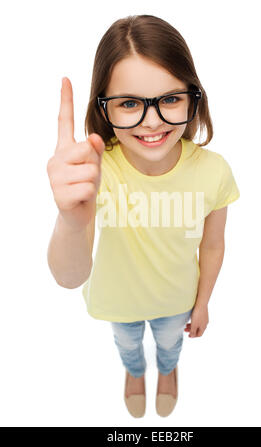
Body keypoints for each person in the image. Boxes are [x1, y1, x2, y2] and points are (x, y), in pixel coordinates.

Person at [47, 14, 240, 418]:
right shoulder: (99, 171)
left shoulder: (214, 171)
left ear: (193, 96)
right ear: (105, 107)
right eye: (130, 103)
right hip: (118, 303)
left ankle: (167, 370)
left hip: (177, 302)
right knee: (128, 346)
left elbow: (214, 243)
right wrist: (70, 219)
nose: (152, 121)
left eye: (169, 99)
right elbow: (69, 277)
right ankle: (135, 373)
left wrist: (204, 302)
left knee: (170, 345)